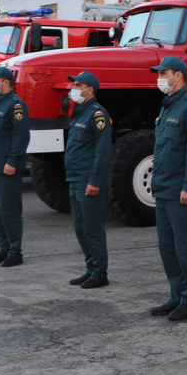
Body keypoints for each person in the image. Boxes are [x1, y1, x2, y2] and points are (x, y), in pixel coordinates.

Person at [148, 56, 187, 321]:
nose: (160, 77)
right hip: (163, 189)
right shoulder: (167, 107)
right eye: (159, 73)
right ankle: (176, 296)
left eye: (164, 73)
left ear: (179, 75)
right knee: (168, 248)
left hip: (182, 192)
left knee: (186, 248)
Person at [63, 71, 112, 288]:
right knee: (80, 228)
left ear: (89, 90)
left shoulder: (97, 114)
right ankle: (91, 268)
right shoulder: (79, 113)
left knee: (93, 229)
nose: (73, 89)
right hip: (75, 178)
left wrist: (94, 181)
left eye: (78, 85)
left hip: (87, 180)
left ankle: (100, 273)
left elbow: (102, 152)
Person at [0, 66, 30, 267]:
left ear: (6, 83)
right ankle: (4, 248)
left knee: (9, 211)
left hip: (5, 167)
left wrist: (12, 161)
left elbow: (21, 136)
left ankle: (15, 252)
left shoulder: (15, 105)